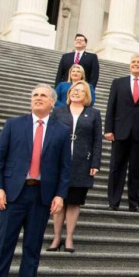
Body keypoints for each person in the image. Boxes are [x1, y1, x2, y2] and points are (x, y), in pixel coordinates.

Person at [0, 85, 71, 277]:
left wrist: (60, 195)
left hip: (41, 196)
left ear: (53, 102)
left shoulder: (61, 131)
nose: (38, 98)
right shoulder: (13, 125)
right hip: (13, 195)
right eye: (35, 95)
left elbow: (65, 168)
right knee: (3, 246)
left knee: (32, 248)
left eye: (43, 96)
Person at [49, 82, 101, 252]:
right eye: (73, 90)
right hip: (58, 162)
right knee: (59, 201)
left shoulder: (94, 114)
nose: (76, 93)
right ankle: (56, 237)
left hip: (81, 164)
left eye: (80, 91)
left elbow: (97, 141)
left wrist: (95, 163)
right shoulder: (57, 111)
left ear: (86, 95)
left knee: (74, 202)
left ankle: (69, 237)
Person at [104, 55, 139, 212]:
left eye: (138, 62)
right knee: (116, 168)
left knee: (136, 170)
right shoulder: (118, 83)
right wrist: (108, 129)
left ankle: (134, 202)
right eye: (133, 62)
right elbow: (111, 108)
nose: (135, 64)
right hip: (120, 132)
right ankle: (114, 201)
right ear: (129, 65)